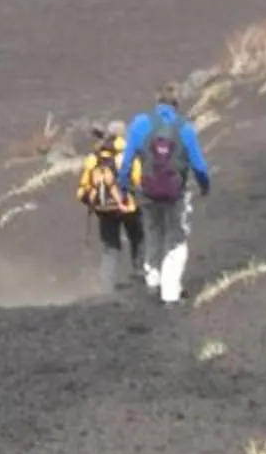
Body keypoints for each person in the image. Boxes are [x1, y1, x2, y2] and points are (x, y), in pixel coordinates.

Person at [118, 82, 213, 303]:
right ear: (176, 103)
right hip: (175, 194)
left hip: (147, 192)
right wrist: (204, 186)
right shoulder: (184, 128)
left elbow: (127, 162)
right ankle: (170, 294)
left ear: (157, 101)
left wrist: (124, 188)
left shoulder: (140, 124)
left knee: (152, 233)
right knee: (176, 240)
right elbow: (199, 166)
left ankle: (153, 281)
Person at [76, 124, 146, 295]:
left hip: (103, 208)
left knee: (110, 248)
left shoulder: (94, 157)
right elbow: (138, 180)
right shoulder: (128, 154)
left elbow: (81, 190)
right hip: (128, 206)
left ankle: (106, 287)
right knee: (138, 239)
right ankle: (140, 276)